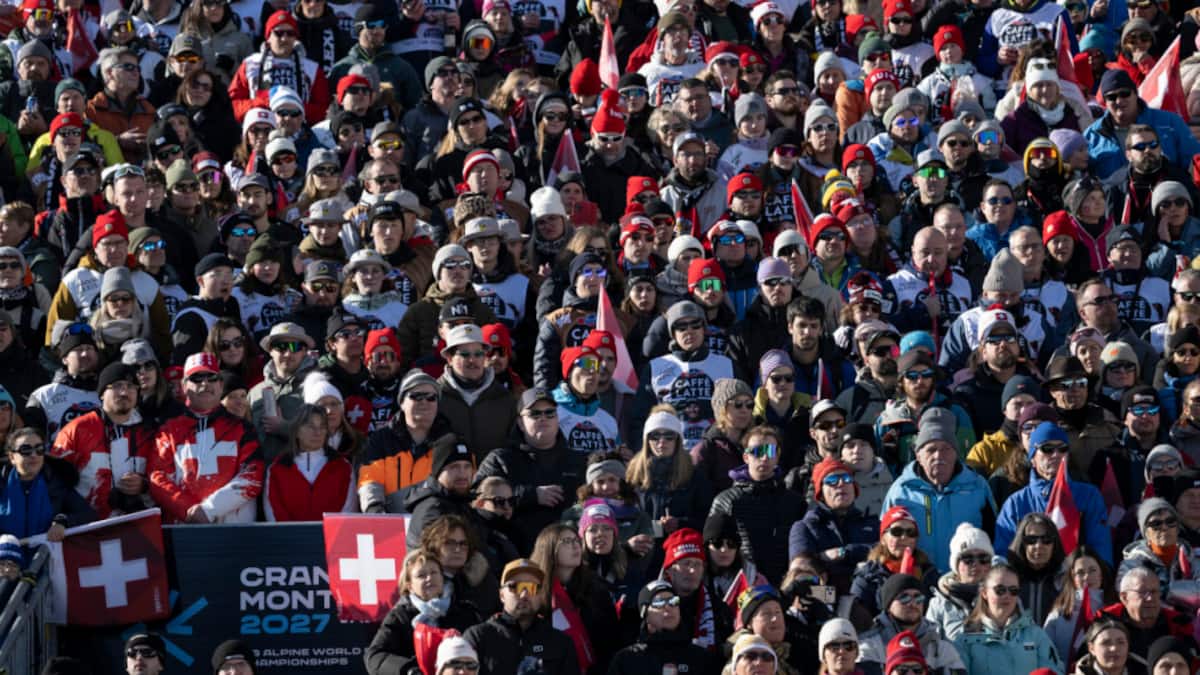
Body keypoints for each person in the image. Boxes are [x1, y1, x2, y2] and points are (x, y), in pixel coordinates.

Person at [149, 353, 264, 524]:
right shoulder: (169, 431)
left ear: (220, 385)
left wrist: (209, 510)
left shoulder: (242, 429)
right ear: (184, 386)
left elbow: (253, 475)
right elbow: (158, 478)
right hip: (185, 529)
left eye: (212, 378)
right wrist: (188, 509)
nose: (205, 384)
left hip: (235, 530)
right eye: (197, 378)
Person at [882, 407, 996, 572]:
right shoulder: (900, 490)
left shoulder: (977, 486)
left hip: (965, 580)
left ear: (956, 453)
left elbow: (994, 536)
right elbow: (885, 542)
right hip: (916, 580)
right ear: (918, 455)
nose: (938, 456)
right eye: (931, 450)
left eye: (946, 449)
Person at [993, 422, 1111, 564]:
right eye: (1047, 449)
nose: (1056, 455)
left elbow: (1101, 550)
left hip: (1075, 576)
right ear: (1032, 458)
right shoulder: (1015, 504)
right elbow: (1003, 556)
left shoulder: (1089, 496)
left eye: (1063, 449)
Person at [50, 362, 154, 519]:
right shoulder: (77, 429)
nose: (124, 392)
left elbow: (163, 477)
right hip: (88, 525)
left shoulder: (149, 432)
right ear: (102, 394)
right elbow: (55, 481)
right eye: (117, 386)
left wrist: (145, 484)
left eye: (131, 386)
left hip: (138, 523)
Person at [709, 425, 805, 584]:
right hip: (742, 584)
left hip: (786, 585)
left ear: (778, 456)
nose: (765, 457)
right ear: (746, 457)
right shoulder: (727, 500)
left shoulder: (794, 501)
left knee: (824, 593)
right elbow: (713, 550)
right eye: (757, 451)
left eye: (770, 451)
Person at [364, 549, 482, 675]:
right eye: (421, 575)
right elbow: (374, 656)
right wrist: (409, 670)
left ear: (442, 578)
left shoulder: (465, 612)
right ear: (410, 586)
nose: (429, 578)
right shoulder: (400, 616)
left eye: (434, 573)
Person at [463, 558, 581, 675]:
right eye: (515, 587)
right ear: (502, 595)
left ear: (541, 595)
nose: (524, 594)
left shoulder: (560, 642)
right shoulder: (478, 637)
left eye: (532, 587)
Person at [952, 564, 1063, 675]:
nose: (1007, 595)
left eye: (1013, 590)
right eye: (1000, 590)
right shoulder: (965, 638)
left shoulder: (1035, 634)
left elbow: (1054, 671)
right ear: (984, 593)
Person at [788, 456, 877, 593]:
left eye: (847, 479)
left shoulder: (872, 524)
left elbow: (886, 552)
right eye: (832, 480)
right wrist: (835, 598)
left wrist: (845, 552)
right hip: (825, 601)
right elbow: (801, 582)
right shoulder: (804, 528)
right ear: (821, 493)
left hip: (869, 598)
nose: (841, 483)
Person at [857, 573, 968, 675]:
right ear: (888, 605)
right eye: (904, 598)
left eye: (918, 597)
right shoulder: (870, 646)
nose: (912, 603)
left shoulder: (941, 648)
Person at [0, 426, 95, 540]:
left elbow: (88, 514)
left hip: (46, 549)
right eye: (26, 450)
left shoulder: (57, 482)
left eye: (39, 449)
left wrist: (62, 521)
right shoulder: (2, 483)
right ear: (12, 457)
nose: (34, 455)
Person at [607, 579, 715, 675]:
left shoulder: (700, 658)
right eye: (659, 603)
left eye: (673, 601)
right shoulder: (627, 659)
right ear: (645, 614)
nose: (668, 607)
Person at [926, 523, 994, 639]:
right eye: (968, 558)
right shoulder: (939, 604)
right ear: (956, 566)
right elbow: (931, 643)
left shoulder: (1004, 594)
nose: (975, 564)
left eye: (983, 558)